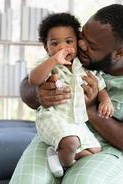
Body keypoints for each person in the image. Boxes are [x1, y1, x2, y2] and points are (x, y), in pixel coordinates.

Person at [10, 4, 123, 184]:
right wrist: (39, 94)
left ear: (119, 53)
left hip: (105, 149)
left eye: (91, 45)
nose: (81, 45)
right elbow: (28, 83)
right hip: (57, 135)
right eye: (82, 36)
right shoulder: (72, 51)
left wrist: (91, 109)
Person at [28, 13, 114, 177]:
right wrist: (53, 61)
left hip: (75, 120)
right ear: (46, 48)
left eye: (68, 42)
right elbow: (34, 79)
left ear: (77, 43)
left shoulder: (82, 67)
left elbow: (100, 86)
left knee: (94, 150)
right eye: (55, 43)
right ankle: (66, 167)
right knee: (71, 142)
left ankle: (57, 154)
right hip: (53, 116)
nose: (62, 47)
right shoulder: (48, 64)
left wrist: (105, 101)